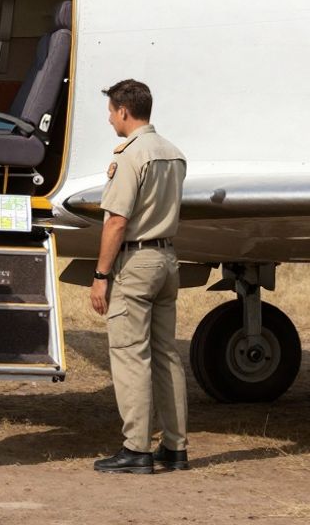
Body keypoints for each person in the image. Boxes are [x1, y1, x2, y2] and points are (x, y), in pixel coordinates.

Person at [90, 79, 189, 474]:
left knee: (131, 355)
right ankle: (175, 447)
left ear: (125, 111)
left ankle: (136, 449)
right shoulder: (173, 153)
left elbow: (116, 221)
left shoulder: (131, 155)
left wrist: (101, 275)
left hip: (136, 263)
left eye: (112, 111)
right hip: (167, 261)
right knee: (166, 356)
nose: (110, 118)